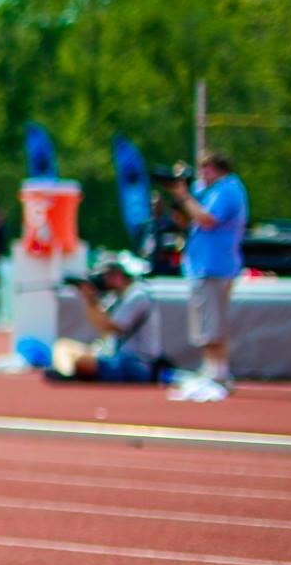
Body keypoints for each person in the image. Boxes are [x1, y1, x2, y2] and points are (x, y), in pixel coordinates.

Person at [166, 152, 248, 399]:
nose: (202, 175)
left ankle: (219, 373)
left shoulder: (227, 189)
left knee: (213, 322)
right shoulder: (211, 190)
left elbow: (207, 219)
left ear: (217, 169)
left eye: (206, 170)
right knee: (205, 322)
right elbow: (188, 218)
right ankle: (211, 369)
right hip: (203, 265)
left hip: (216, 265)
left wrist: (185, 196)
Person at [47, 257, 172, 385]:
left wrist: (91, 299)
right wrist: (89, 299)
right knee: (62, 345)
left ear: (119, 276)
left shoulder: (138, 296)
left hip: (136, 364)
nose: (104, 280)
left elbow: (111, 327)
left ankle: (71, 374)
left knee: (78, 359)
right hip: (119, 360)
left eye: (107, 276)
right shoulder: (120, 296)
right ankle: (68, 373)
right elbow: (100, 325)